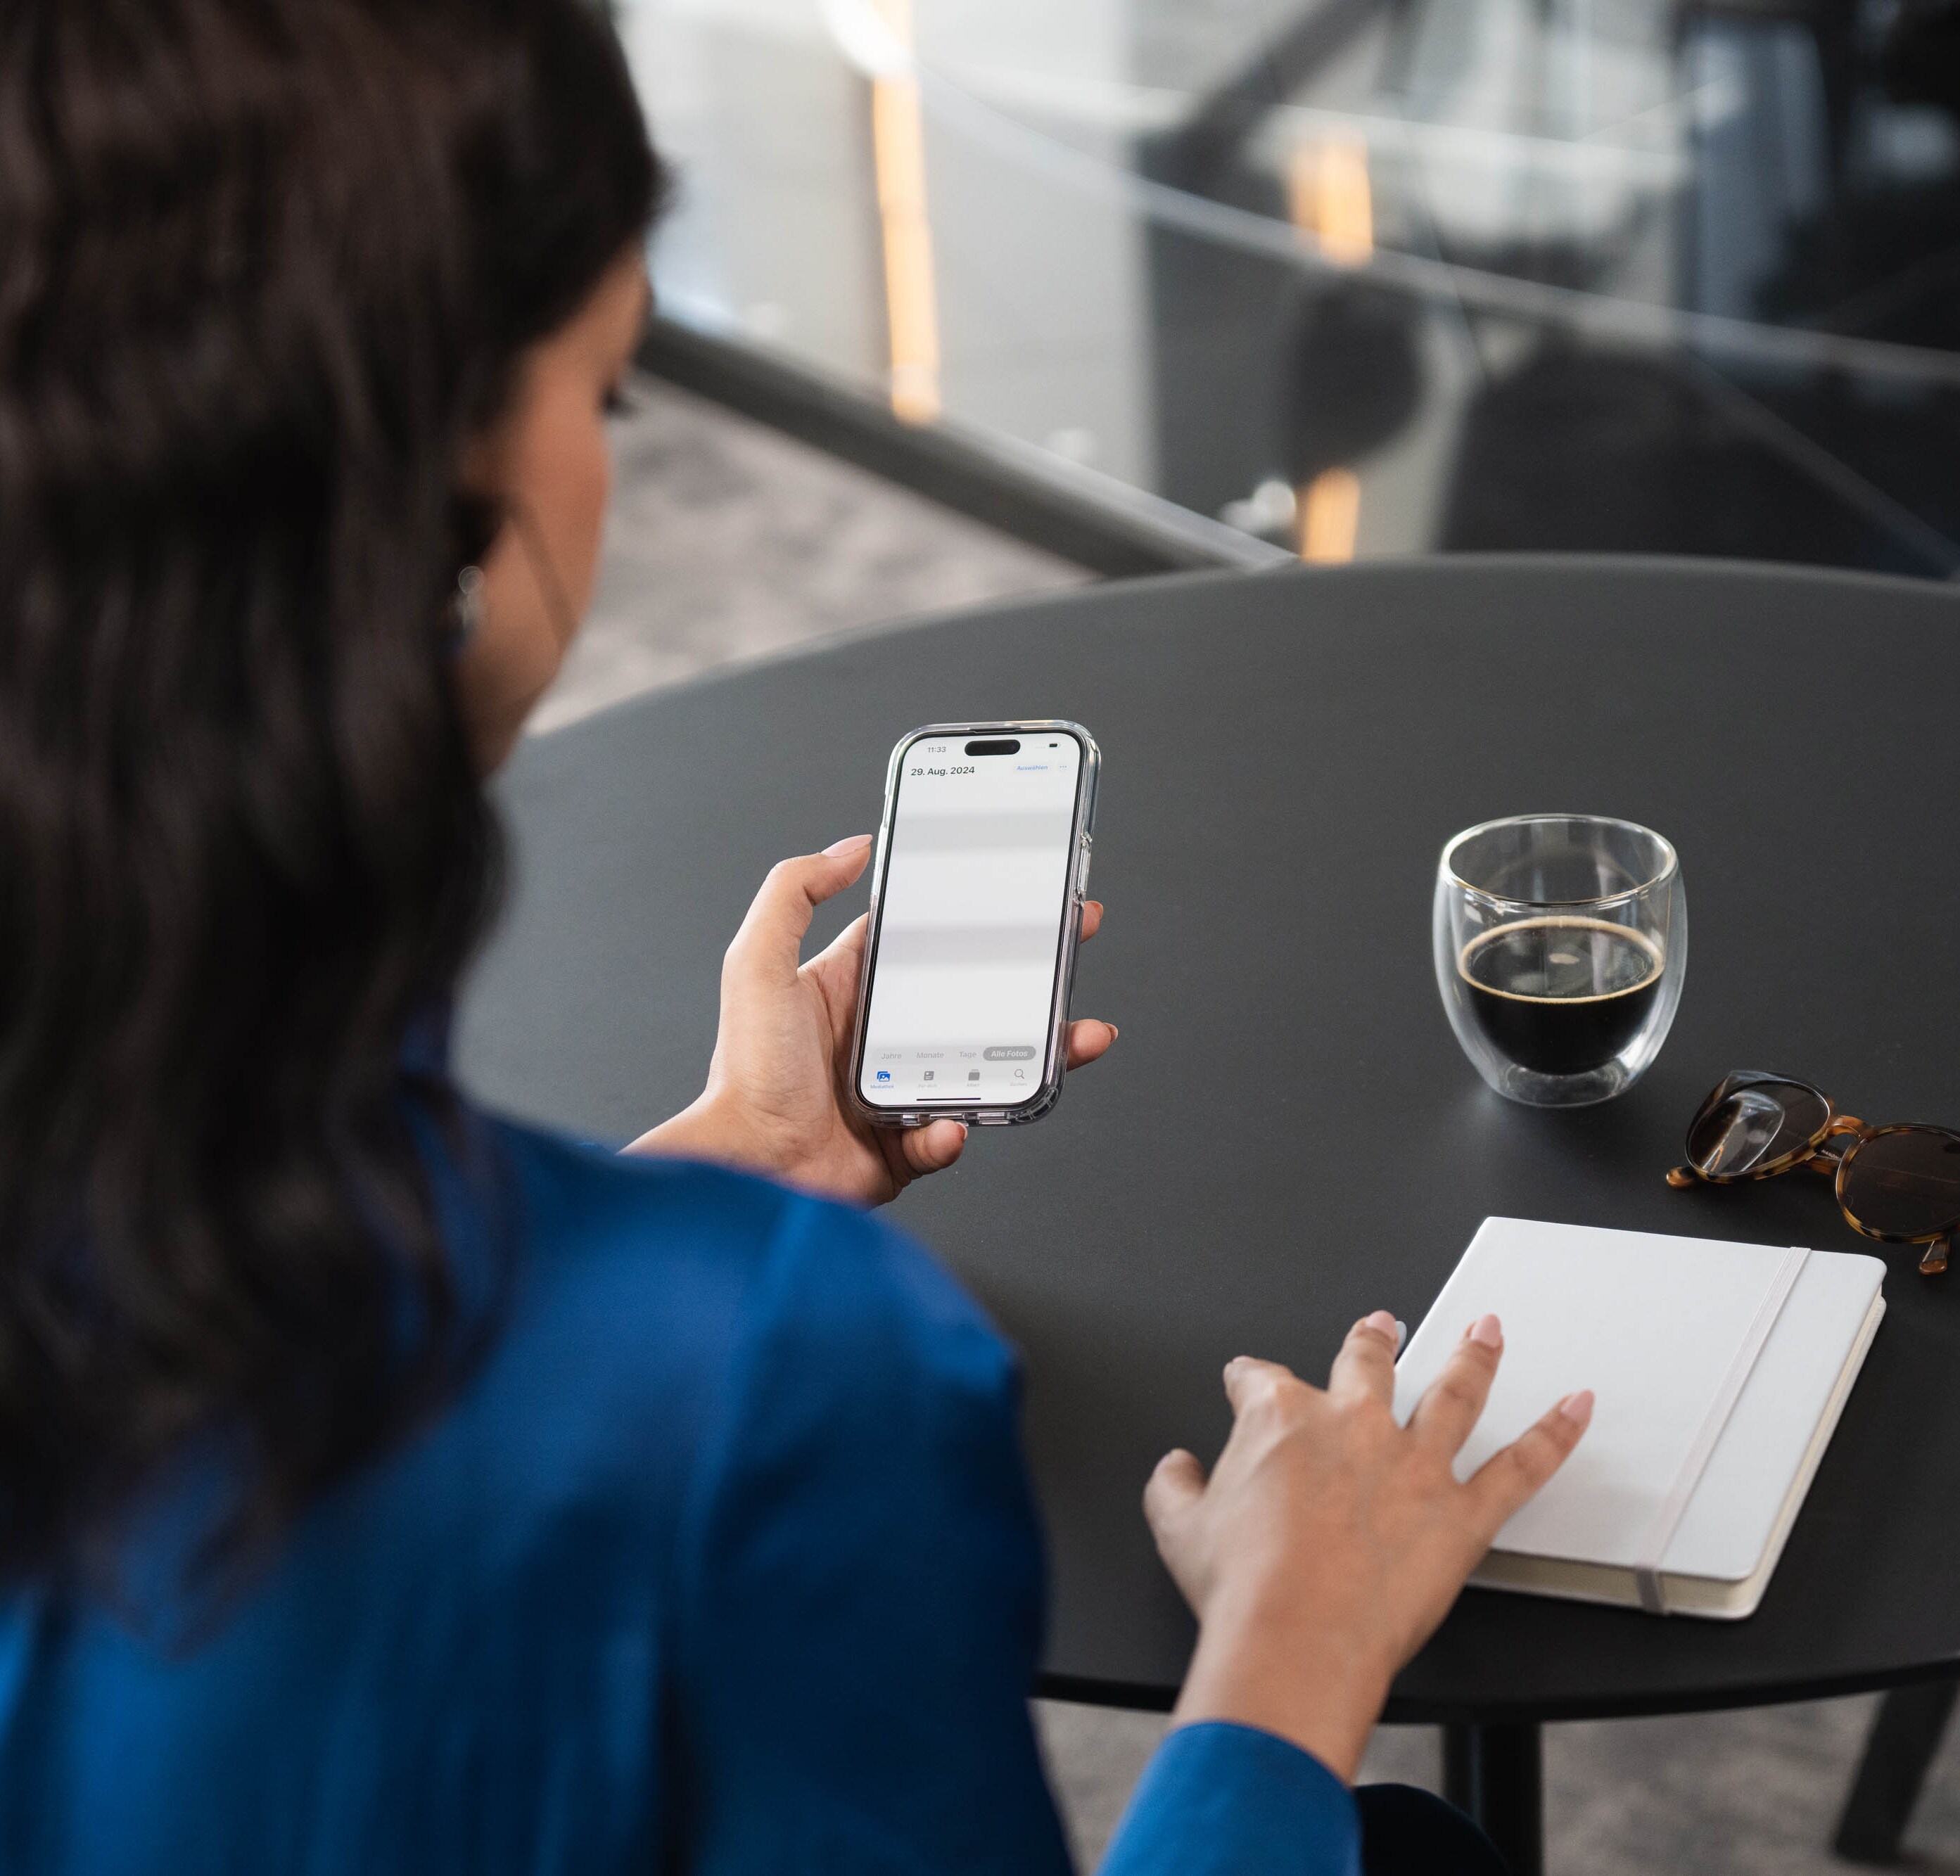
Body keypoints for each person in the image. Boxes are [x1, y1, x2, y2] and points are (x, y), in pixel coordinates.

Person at [0, 4, 1593, 1872]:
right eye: (599, 393)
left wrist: (707, 1171)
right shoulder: (771, 1382)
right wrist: (1283, 1659)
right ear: (438, 528)